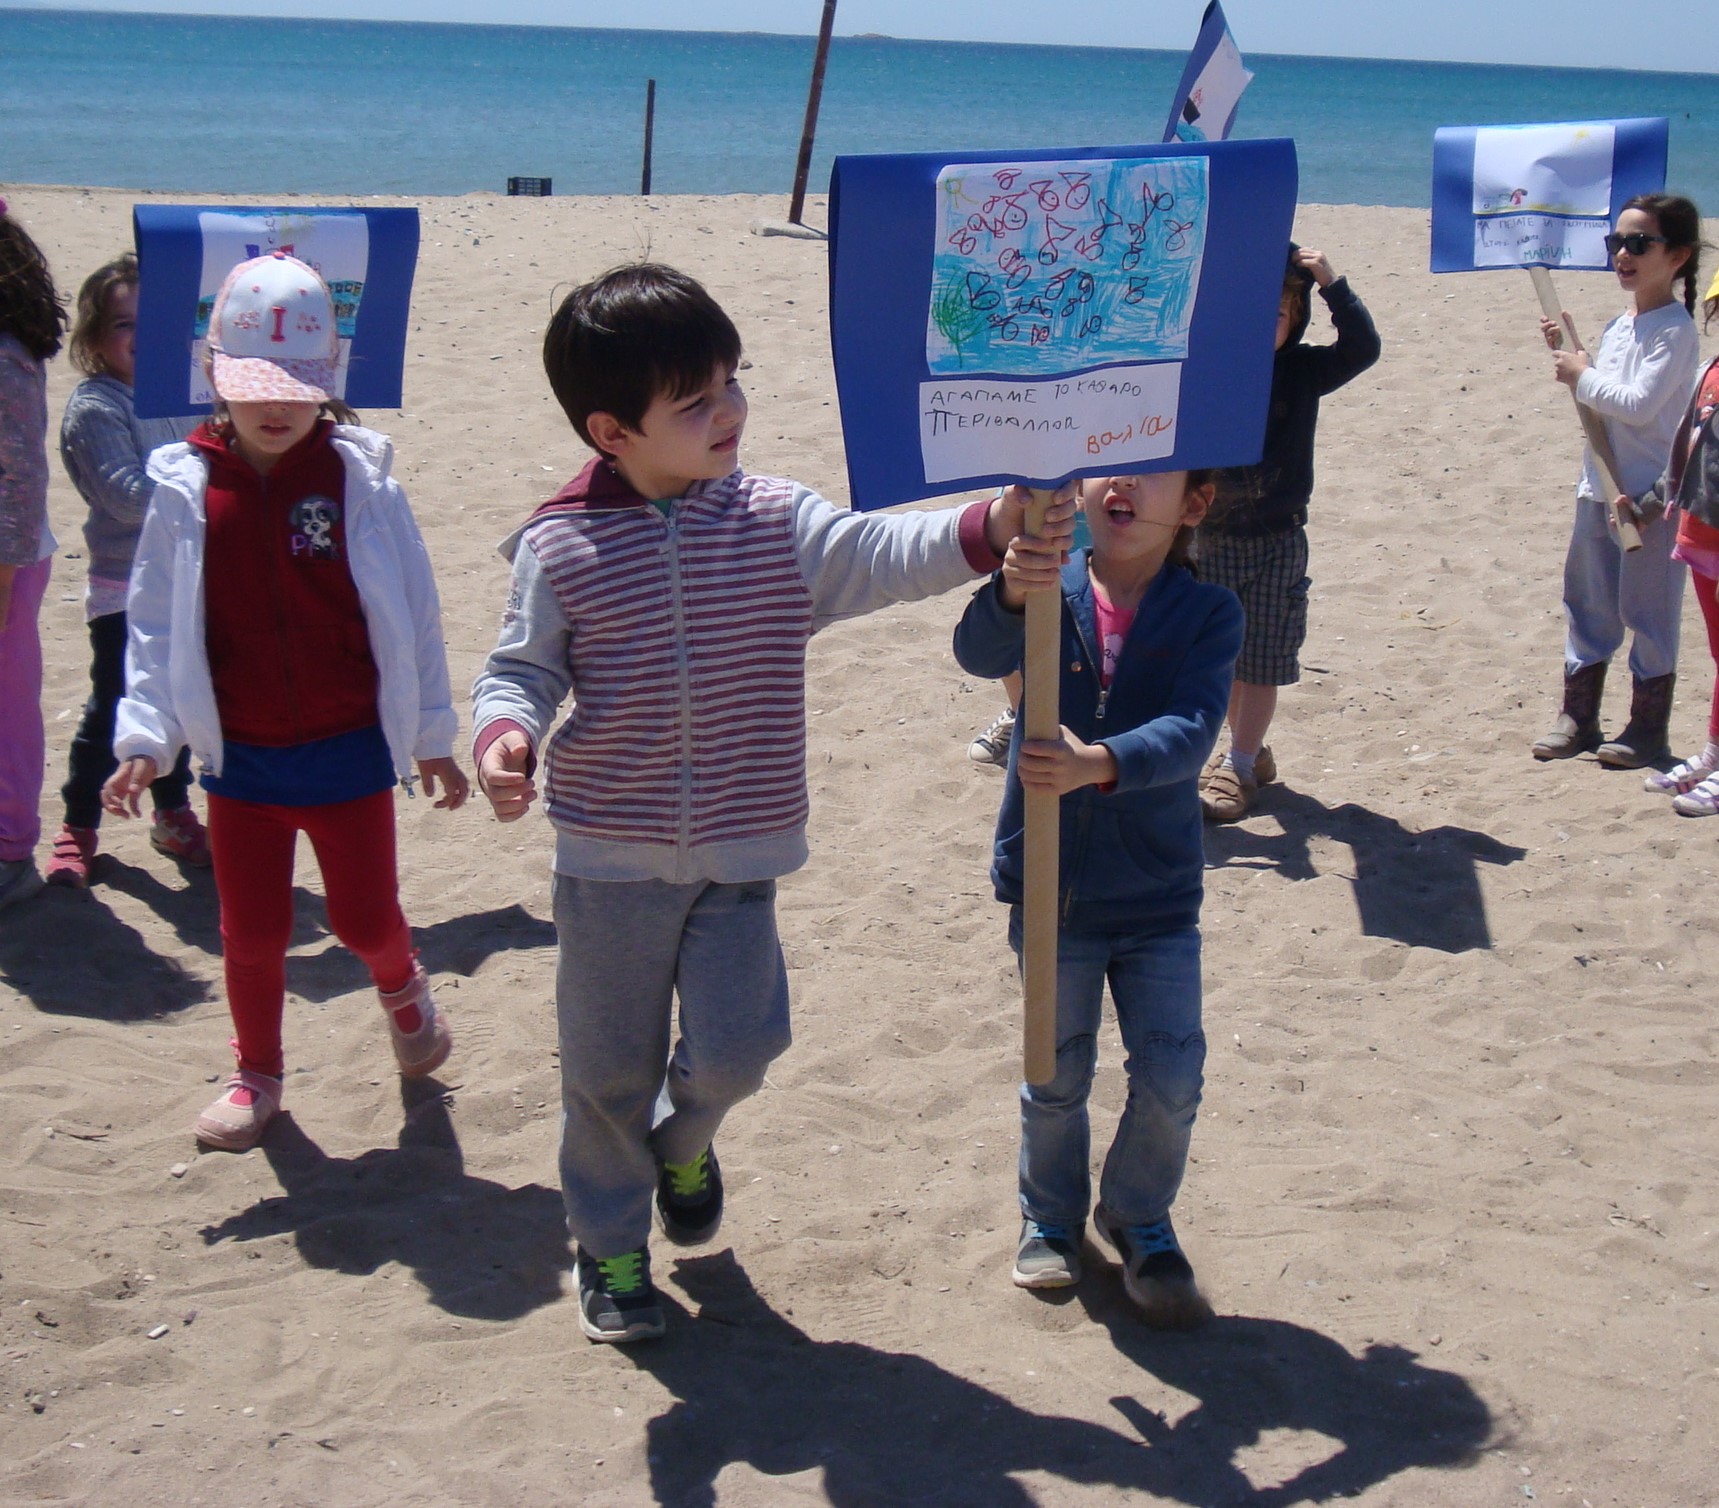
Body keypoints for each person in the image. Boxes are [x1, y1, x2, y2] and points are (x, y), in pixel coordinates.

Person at [470, 262, 1055, 1345]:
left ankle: (686, 1138)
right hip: (607, 863)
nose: (729, 409)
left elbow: (886, 552)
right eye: (693, 401)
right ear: (612, 431)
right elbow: (521, 670)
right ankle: (609, 1244)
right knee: (603, 1076)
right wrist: (504, 734)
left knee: (741, 1049)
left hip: (741, 853)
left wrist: (993, 520)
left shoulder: (773, 519)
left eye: (733, 380)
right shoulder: (562, 547)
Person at [101, 252, 468, 1151]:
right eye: (251, 385)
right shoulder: (186, 490)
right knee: (253, 933)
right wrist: (147, 736)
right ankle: (257, 1070)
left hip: (347, 749)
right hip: (242, 758)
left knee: (363, 919)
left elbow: (413, 610)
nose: (275, 406)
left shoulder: (361, 482)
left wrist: (428, 732)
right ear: (215, 379)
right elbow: (151, 623)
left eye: (297, 388)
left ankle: (401, 985)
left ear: (329, 385)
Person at [953, 469, 1241, 1328]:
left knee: (1171, 1070)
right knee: (1054, 1072)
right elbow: (975, 654)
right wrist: (1009, 586)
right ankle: (1050, 1217)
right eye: (1107, 467)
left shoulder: (1207, 613)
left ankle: (1138, 1214)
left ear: (1192, 505)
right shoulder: (1050, 583)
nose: (1123, 484)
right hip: (1051, 887)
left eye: (1152, 472)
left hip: (1156, 891)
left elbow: (1193, 729)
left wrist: (1099, 765)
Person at [1194, 244, 1380, 822]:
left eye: (1277, 315)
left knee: (1264, 661)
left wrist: (1331, 283)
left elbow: (1362, 349)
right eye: (1251, 314)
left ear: (1296, 320)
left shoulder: (1302, 372)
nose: (1264, 326)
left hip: (1279, 537)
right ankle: (1240, 752)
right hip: (1214, 538)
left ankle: (1243, 763)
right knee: (1220, 660)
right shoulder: (1209, 370)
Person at [47, 253, 206, 888]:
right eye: (120, 324)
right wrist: (211, 489)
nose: (138, 337)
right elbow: (127, 497)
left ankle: (171, 813)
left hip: (190, 581)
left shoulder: (186, 392)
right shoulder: (97, 407)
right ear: (92, 338)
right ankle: (77, 825)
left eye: (151, 321)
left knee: (184, 707)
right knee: (114, 706)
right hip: (125, 590)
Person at [1531, 194, 1703, 768]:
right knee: (1588, 601)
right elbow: (1603, 406)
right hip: (1598, 485)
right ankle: (1577, 716)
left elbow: (1637, 403)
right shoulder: (1620, 325)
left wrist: (1582, 376)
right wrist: (1578, 359)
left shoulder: (1674, 331)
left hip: (1652, 495)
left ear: (1676, 255)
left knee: (1648, 610)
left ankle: (1647, 729)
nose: (1623, 255)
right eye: (1616, 243)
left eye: (1638, 243)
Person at [0, 199, 67, 912]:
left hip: (7, 560)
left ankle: (10, 851)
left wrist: (6, 572)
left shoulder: (7, 356)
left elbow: (21, 479)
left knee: (8, 706)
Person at [1639, 267, 1719, 813]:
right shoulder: (1711, 373)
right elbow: (1684, 448)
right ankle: (1715, 750)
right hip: (1701, 534)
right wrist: (1649, 504)